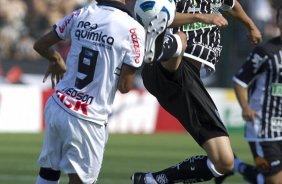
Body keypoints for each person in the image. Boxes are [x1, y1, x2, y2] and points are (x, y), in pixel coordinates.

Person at [131, 0, 262, 183]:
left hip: (187, 83)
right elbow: (158, 15)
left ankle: (153, 180)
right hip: (176, 67)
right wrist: (201, 17)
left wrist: (251, 25)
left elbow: (233, 6)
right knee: (181, 40)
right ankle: (167, 46)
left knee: (224, 162)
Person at [33, 0, 145, 183]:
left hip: (58, 104)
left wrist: (55, 58)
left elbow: (40, 45)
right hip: (88, 118)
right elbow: (125, 87)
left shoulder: (81, 13)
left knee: (48, 172)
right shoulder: (133, 29)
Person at [230, 6, 282, 184]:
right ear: (278, 21)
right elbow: (239, 81)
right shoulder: (266, 52)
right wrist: (245, 107)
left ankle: (236, 166)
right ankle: (236, 166)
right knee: (274, 181)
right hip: (263, 128)